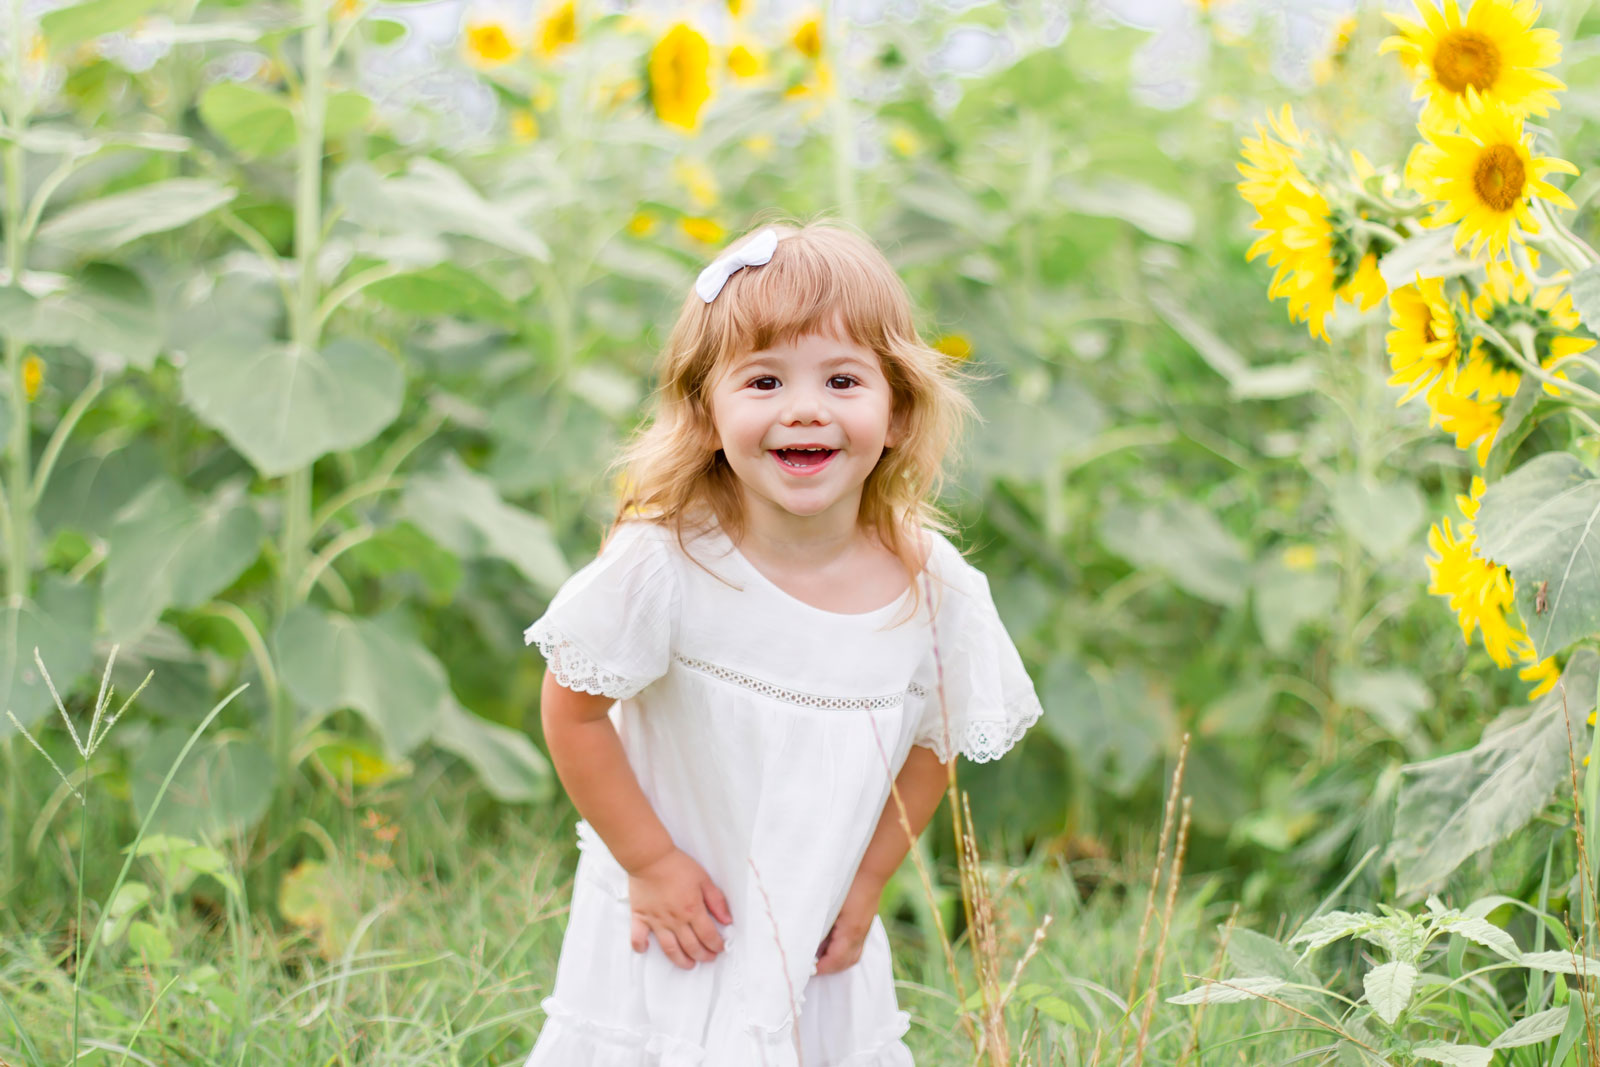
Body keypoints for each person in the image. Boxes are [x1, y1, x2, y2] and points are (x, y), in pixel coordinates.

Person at [522, 217, 1043, 1066]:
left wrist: (866, 881)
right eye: (763, 381)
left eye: (843, 379)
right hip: (683, 921)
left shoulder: (933, 588)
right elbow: (572, 711)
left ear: (900, 411)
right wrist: (650, 861)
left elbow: (933, 745)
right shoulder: (669, 560)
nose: (805, 408)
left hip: (818, 926)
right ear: (704, 411)